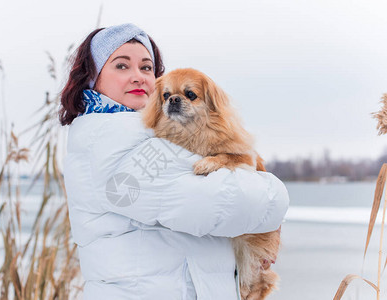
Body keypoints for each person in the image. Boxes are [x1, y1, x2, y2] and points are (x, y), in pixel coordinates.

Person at [60, 23, 289, 300]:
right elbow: (217, 205)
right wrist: (275, 198)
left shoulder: (151, 132)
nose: (138, 77)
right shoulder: (110, 141)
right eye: (122, 66)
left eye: (146, 68)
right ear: (91, 77)